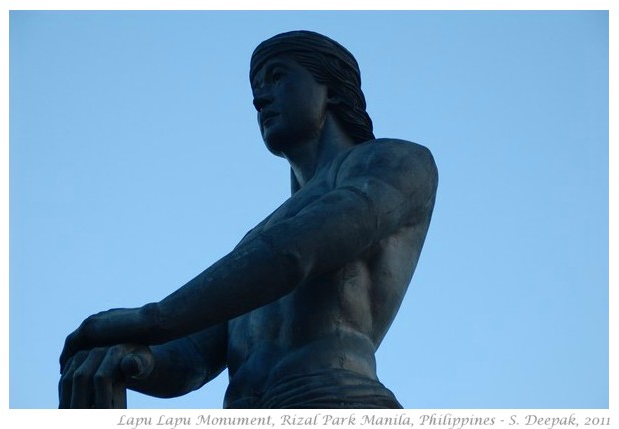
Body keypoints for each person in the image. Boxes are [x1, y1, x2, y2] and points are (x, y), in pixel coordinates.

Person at [58, 30, 438, 409]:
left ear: (333, 89)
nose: (259, 98)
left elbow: (294, 254)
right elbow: (190, 358)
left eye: (277, 77)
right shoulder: (255, 242)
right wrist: (126, 360)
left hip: (336, 400)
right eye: (255, 87)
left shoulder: (395, 162)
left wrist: (151, 319)